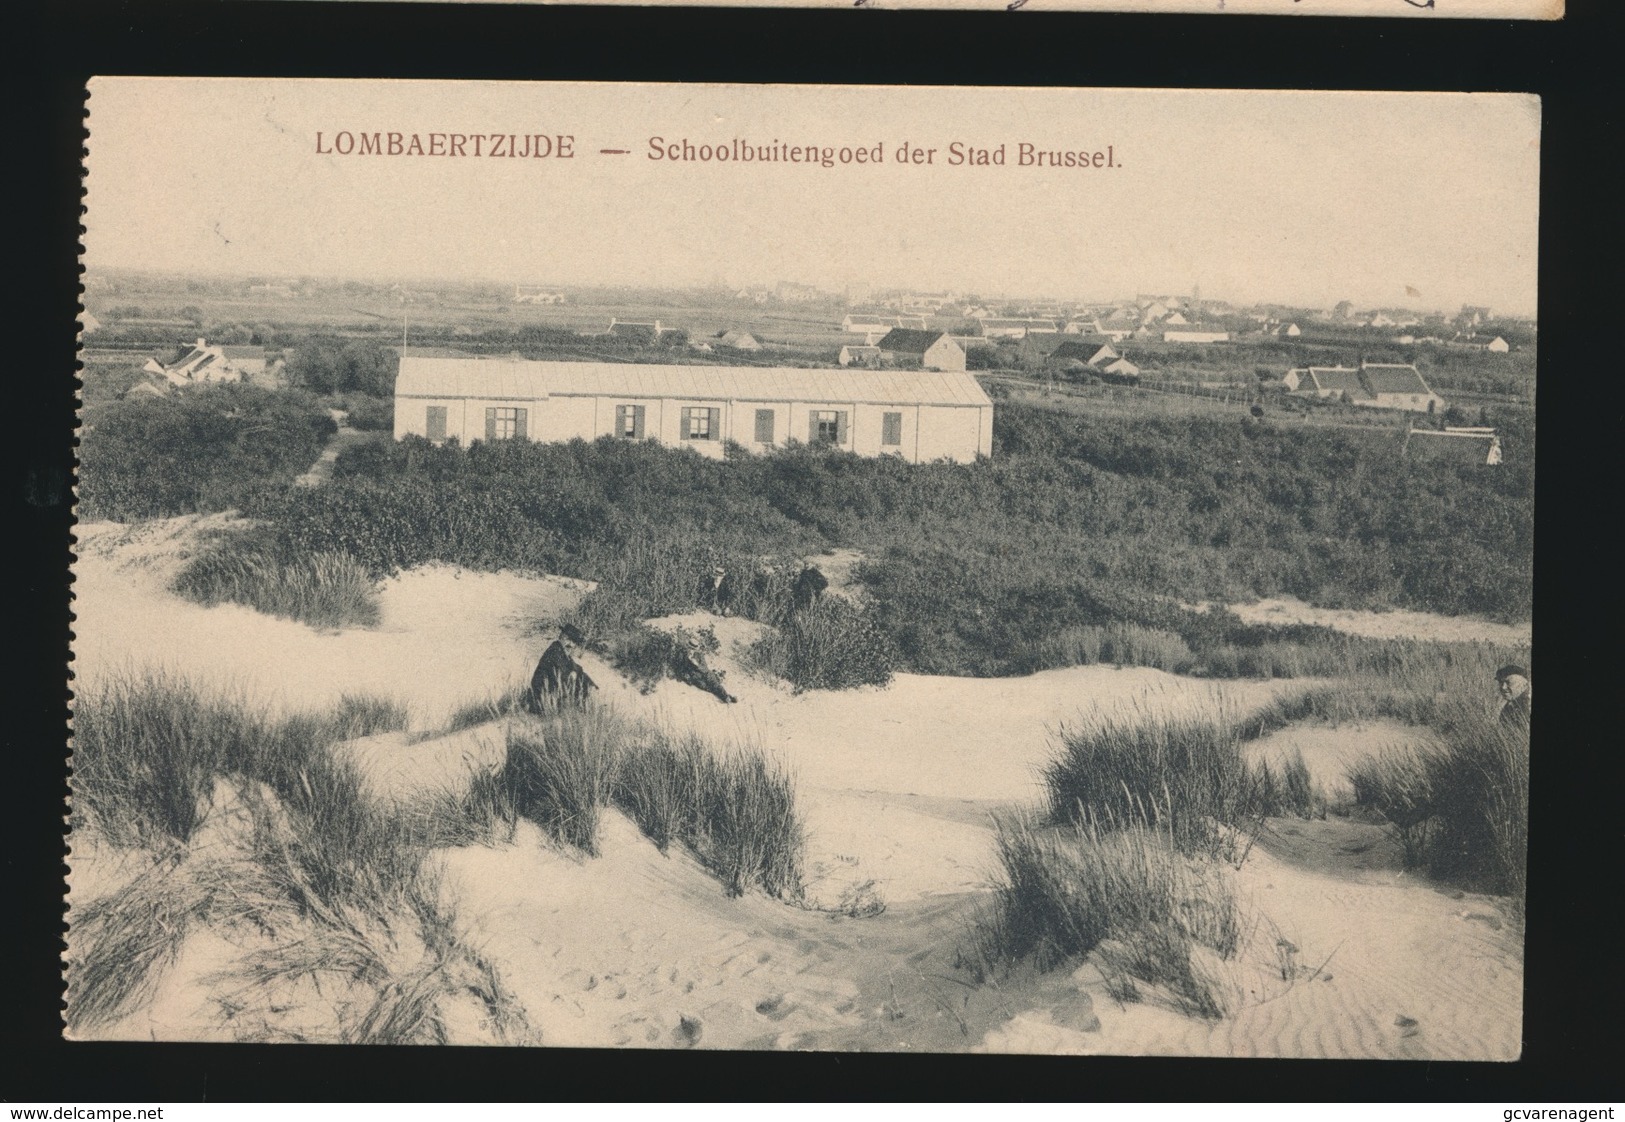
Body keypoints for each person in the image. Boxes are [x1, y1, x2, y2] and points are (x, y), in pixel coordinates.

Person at [528, 630, 597, 710]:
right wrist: (574, 674)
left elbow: (576, 667)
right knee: (576, 681)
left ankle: (581, 708)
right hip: (543, 696)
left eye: (573, 642)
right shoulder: (554, 650)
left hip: (551, 692)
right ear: (561, 637)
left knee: (581, 677)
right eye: (568, 639)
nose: (571, 644)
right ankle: (579, 709)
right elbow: (562, 672)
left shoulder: (562, 651)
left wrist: (591, 683)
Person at [674, 636, 736, 704]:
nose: (691, 650)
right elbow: (681, 667)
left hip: (706, 673)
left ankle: (726, 696)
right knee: (706, 687)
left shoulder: (699, 654)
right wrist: (685, 676)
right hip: (695, 676)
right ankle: (726, 697)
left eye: (693, 649)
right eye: (690, 648)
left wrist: (696, 664)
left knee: (714, 683)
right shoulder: (683, 655)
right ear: (688, 647)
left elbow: (704, 667)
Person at [1495, 664, 1531, 729]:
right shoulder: (1509, 705)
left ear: (1524, 685)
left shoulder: (1529, 706)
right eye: (1500, 682)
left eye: (1508, 682)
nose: (1503, 687)